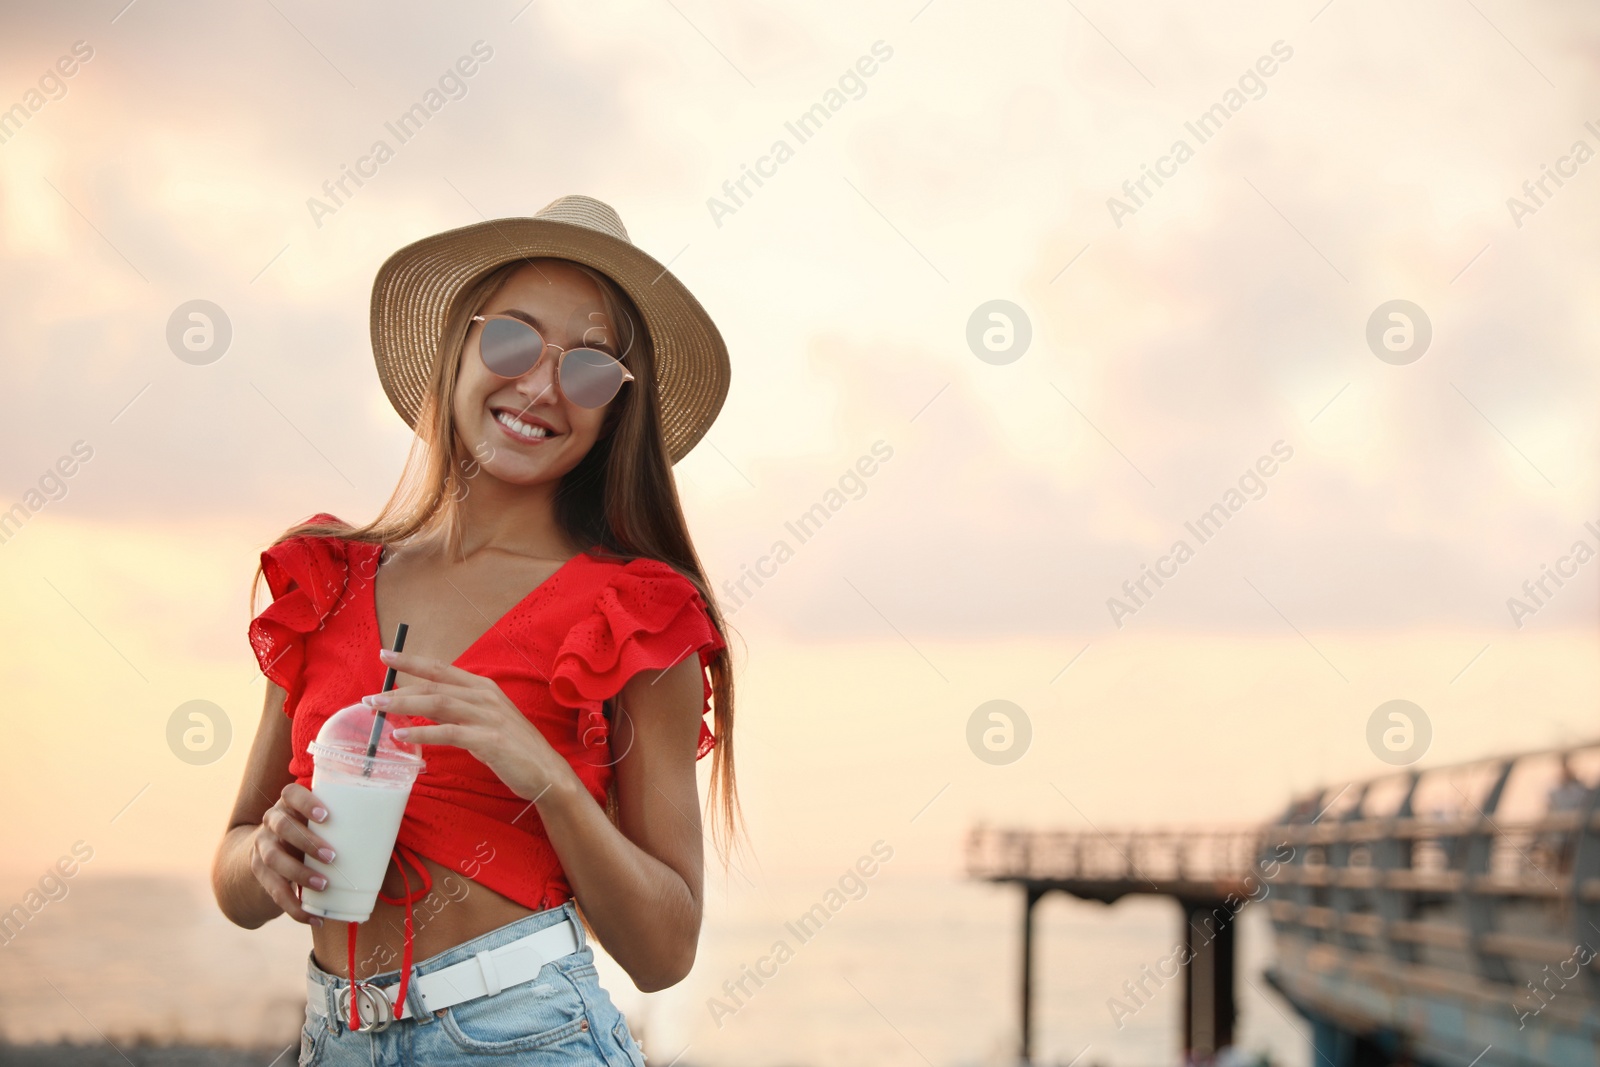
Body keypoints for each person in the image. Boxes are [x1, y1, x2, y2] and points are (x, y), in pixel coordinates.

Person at [209, 195, 739, 1066]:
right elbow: (234, 877)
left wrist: (546, 777)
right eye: (512, 341)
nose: (539, 386)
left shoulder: (634, 617)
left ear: (614, 410)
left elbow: (665, 950)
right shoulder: (326, 577)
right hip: (328, 1037)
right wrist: (267, 851)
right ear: (461, 345)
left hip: (522, 1035)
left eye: (592, 369)